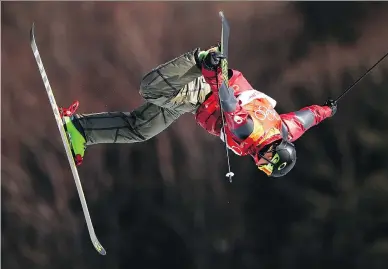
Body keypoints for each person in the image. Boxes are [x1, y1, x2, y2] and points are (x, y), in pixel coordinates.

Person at [60, 45, 337, 177]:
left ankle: (80, 130)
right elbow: (228, 104)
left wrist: (326, 110)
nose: (260, 162)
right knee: (150, 89)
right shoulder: (249, 132)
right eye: (266, 161)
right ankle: (200, 59)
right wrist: (210, 71)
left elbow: (307, 119)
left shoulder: (284, 131)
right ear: (273, 150)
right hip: (209, 90)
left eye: (264, 167)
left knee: (141, 129)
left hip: (201, 100)